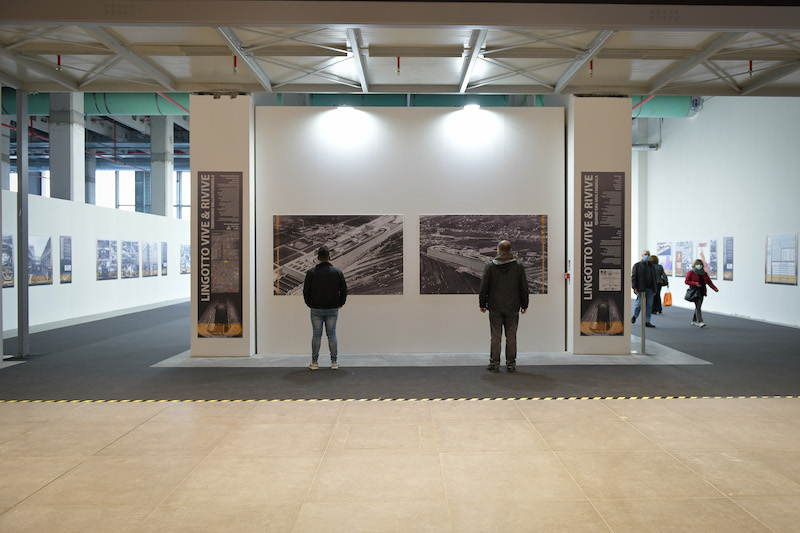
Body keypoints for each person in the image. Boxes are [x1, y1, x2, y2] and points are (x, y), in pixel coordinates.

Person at [478, 240, 530, 373]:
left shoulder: (490, 266)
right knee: (511, 337)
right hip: (513, 307)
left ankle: (494, 364)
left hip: (495, 307)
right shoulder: (518, 267)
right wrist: (524, 305)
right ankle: (511, 365)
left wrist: (482, 304)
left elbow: (484, 287)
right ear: (511, 250)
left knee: (496, 336)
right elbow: (524, 288)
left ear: (498, 250)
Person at [303, 245, 347, 369]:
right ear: (329, 257)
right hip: (332, 309)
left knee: (316, 336)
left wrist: (310, 304)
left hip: (315, 309)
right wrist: (340, 304)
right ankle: (334, 362)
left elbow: (306, 292)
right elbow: (344, 291)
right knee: (332, 335)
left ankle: (314, 362)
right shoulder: (337, 272)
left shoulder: (311, 273)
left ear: (318, 258)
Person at [685, 258, 718, 328]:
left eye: (700, 264)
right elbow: (686, 281)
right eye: (697, 264)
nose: (699, 265)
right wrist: (695, 283)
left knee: (698, 306)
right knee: (698, 306)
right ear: (694, 265)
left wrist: (715, 288)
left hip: (702, 291)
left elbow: (709, 282)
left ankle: (694, 320)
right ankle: (700, 321)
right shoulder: (691, 272)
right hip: (694, 291)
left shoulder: (704, 273)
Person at [631, 249, 658, 328]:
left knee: (649, 305)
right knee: (639, 304)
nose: (647, 256)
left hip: (650, 288)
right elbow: (634, 277)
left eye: (648, 254)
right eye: (645, 254)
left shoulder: (652, 266)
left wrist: (655, 289)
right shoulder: (637, 265)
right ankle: (635, 316)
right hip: (641, 288)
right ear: (642, 255)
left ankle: (647, 321)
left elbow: (654, 278)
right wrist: (634, 287)